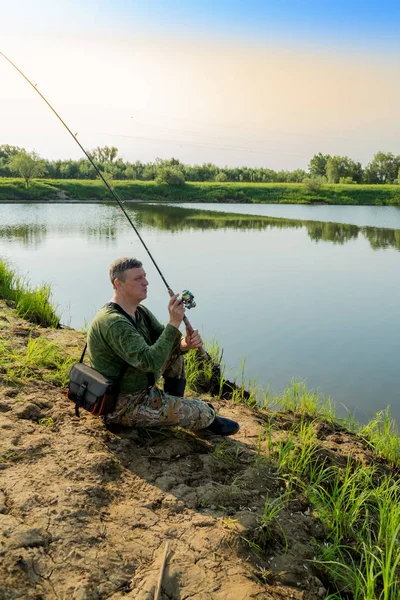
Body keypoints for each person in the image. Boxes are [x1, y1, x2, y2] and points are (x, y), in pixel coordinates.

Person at [87, 257, 239, 435]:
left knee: (176, 356)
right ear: (118, 284)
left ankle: (172, 405)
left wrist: (184, 344)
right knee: (203, 411)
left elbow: (168, 345)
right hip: (121, 404)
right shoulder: (114, 322)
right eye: (138, 279)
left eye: (145, 276)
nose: (146, 282)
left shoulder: (139, 311)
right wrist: (174, 322)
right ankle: (185, 413)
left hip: (141, 389)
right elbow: (150, 362)